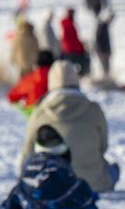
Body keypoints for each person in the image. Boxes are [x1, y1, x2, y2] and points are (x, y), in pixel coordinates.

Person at [20, 61, 118, 192]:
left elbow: (28, 154)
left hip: (51, 186)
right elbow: (103, 147)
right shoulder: (93, 110)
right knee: (114, 169)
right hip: (92, 184)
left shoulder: (39, 113)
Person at [58, 8, 90, 76]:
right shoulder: (68, 24)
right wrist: (81, 48)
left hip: (70, 50)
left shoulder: (69, 23)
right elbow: (72, 40)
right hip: (71, 50)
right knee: (86, 60)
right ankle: (83, 76)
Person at [94, 11, 114, 80]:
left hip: (105, 51)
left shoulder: (104, 26)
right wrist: (100, 50)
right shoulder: (101, 27)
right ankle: (105, 79)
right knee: (105, 66)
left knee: (107, 66)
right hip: (102, 51)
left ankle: (107, 78)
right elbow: (98, 40)